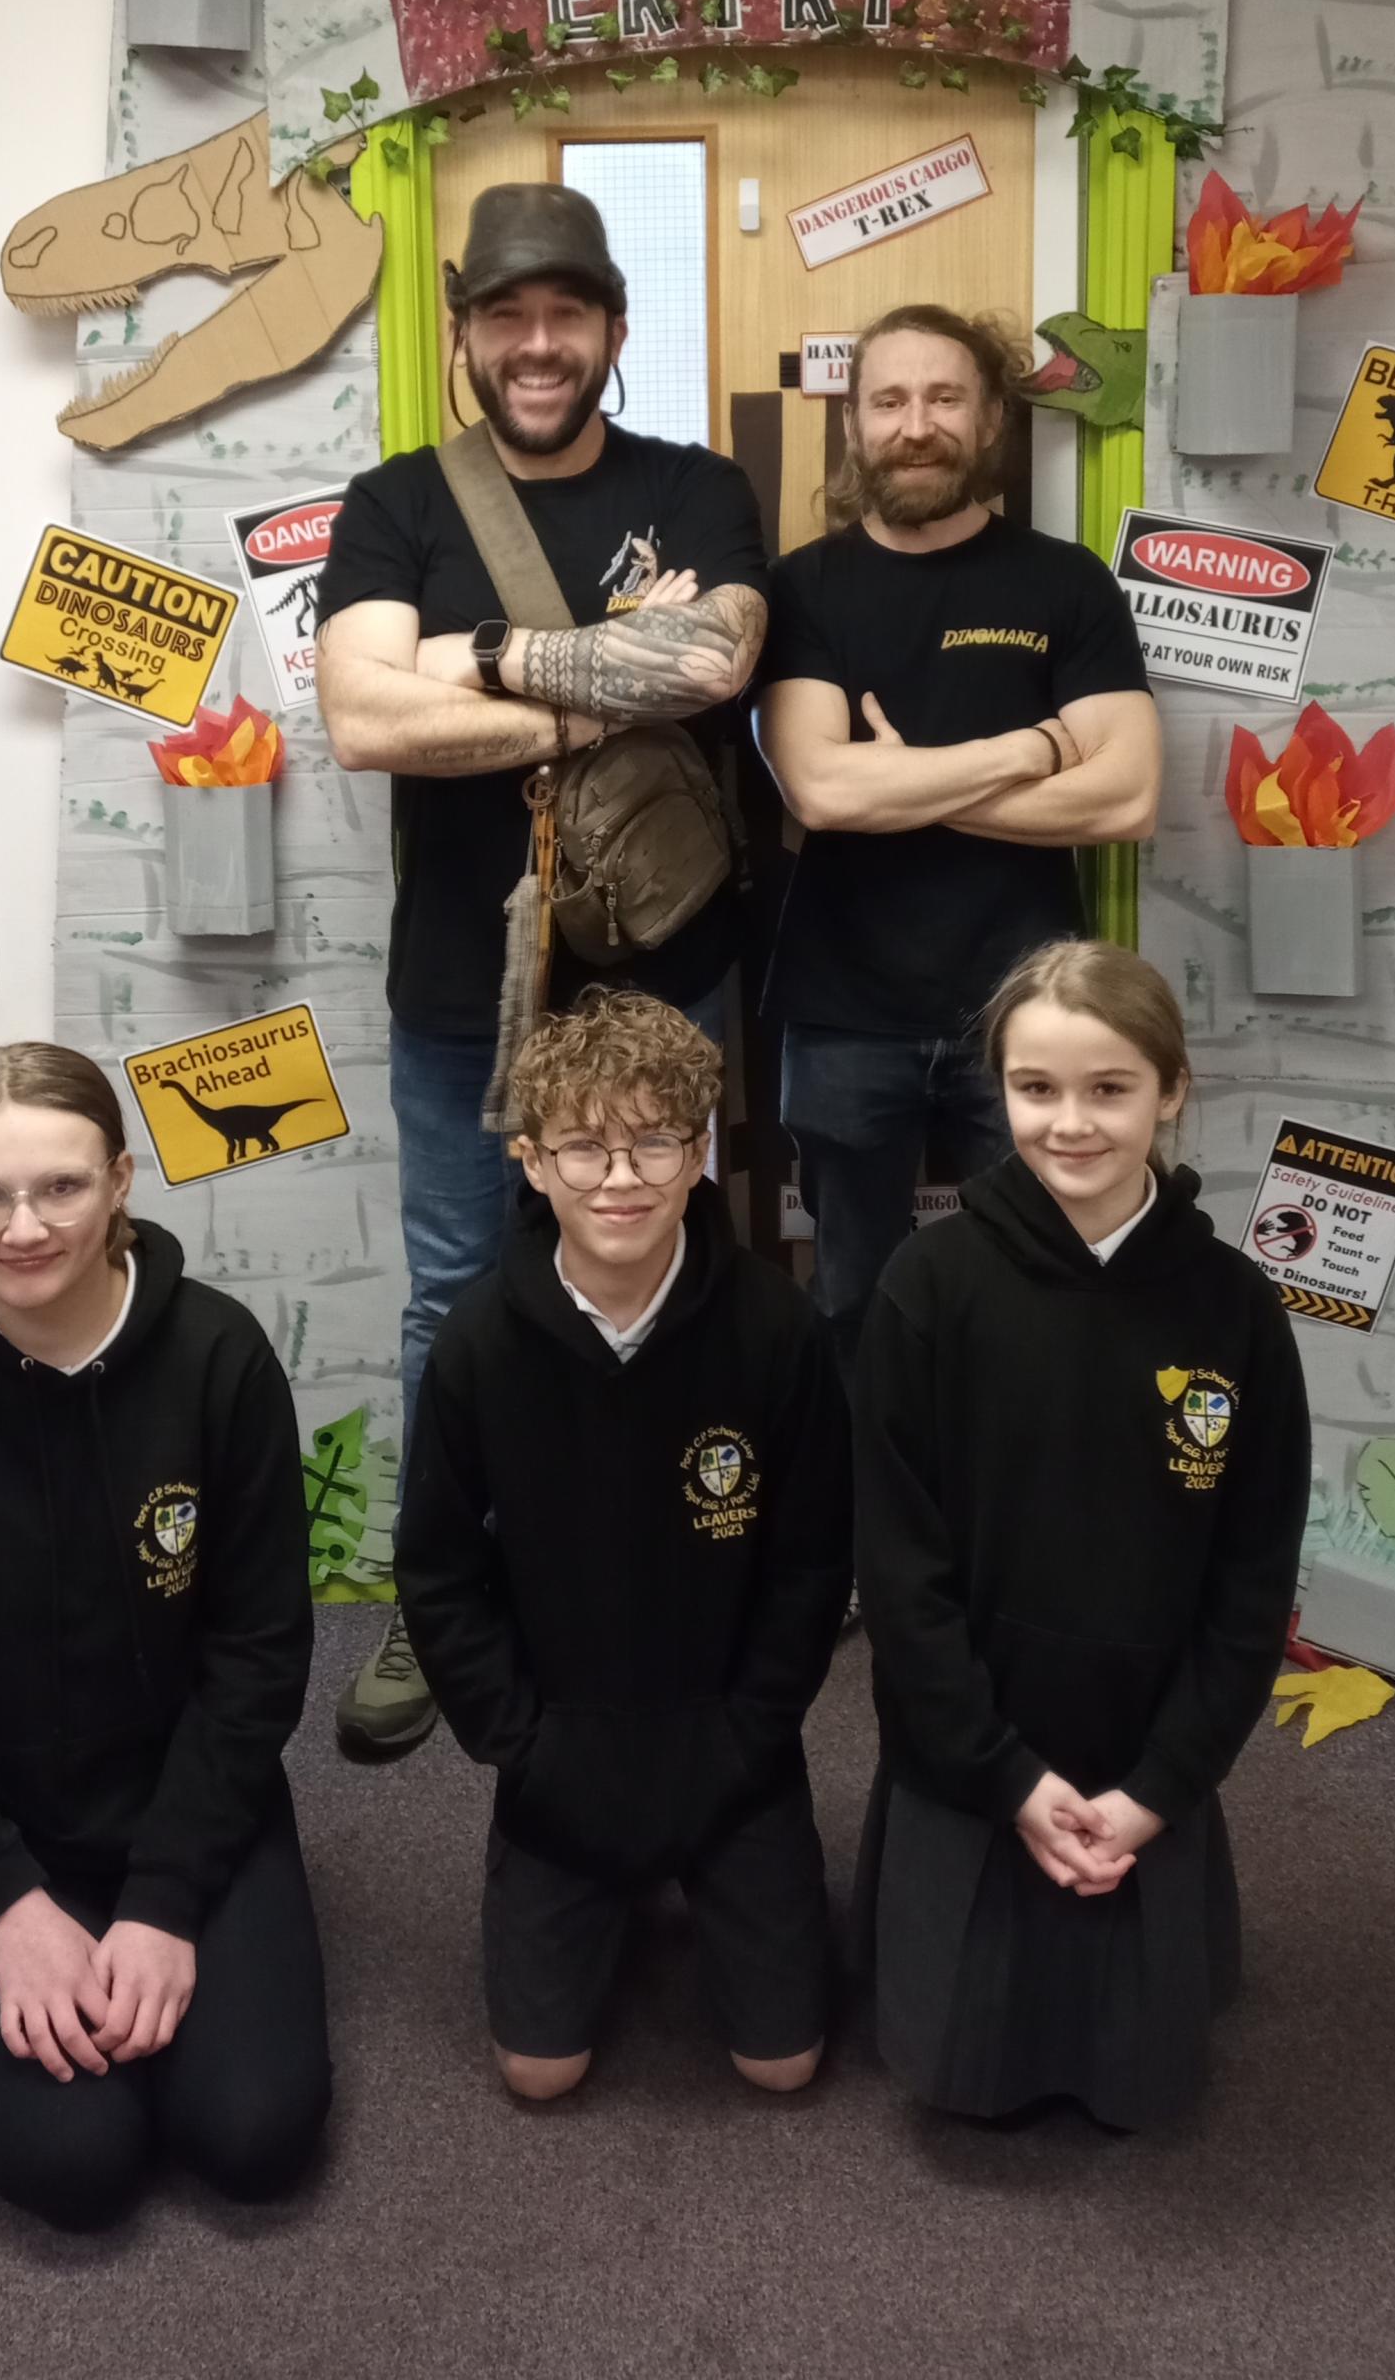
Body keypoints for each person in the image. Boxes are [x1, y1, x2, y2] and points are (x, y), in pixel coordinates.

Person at [316, 183, 770, 1758]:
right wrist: (598, 686)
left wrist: (483, 659)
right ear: (465, 332)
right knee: (454, 1292)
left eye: (565, 314)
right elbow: (364, 721)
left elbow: (712, 661)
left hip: (666, 968)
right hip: (467, 980)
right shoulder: (396, 504)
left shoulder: (702, 484)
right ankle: (441, 1604)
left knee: (679, 1277)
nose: (536, 343)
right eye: (506, 315)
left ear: (613, 331)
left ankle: (669, 1579)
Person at [0, 1043, 331, 2232]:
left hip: (189, 1802)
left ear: (122, 1181)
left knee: (253, 2135)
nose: (23, 1225)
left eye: (61, 1185)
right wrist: (7, 1903)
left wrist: (163, 1900)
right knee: (74, 2166)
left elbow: (258, 1656)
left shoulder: (220, 1358)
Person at [855, 940, 1309, 2131]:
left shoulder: (1237, 1310)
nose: (1069, 1123)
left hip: (1146, 1751)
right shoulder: (929, 1284)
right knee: (962, 2071)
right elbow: (900, 1574)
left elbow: (1253, 1578)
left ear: (1171, 1087)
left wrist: (1164, 1786)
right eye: (1035, 1087)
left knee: (1144, 2080)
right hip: (978, 1751)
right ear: (999, 1090)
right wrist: (1006, 1773)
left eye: (1108, 1088)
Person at [395, 991, 849, 2101]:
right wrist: (523, 1747)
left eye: (655, 1139)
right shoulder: (478, 1344)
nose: (620, 1176)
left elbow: (812, 1559)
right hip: (562, 1752)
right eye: (583, 1146)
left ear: (700, 1152)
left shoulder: (776, 1326)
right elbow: (440, 1571)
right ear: (531, 1162)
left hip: (732, 1743)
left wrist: (752, 1732)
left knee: (782, 2065)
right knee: (539, 2072)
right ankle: (612, 1873)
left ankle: (701, 1863)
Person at [757, 303, 1159, 1381]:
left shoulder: (1065, 582)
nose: (915, 424)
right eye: (888, 400)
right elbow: (822, 785)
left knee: (1037, 1292)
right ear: (853, 427)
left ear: (989, 423)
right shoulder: (805, 587)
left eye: (945, 398)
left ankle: (1017, 1525)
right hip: (842, 1012)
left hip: (1030, 1010)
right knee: (852, 1302)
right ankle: (863, 1537)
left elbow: (1125, 795)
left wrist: (908, 777)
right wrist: (1035, 744)